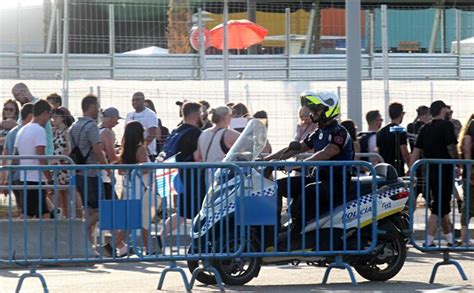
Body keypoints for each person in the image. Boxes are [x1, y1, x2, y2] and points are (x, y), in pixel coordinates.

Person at [265, 90, 354, 232]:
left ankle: (297, 232)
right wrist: (266, 159)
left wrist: (301, 164)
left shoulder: (340, 132)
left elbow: (328, 152)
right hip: (318, 178)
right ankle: (275, 228)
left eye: (316, 109)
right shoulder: (318, 132)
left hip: (336, 183)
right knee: (278, 186)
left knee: (309, 191)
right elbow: (297, 148)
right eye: (312, 109)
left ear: (329, 109)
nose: (313, 113)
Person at [410, 100, 458, 247]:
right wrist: (458, 163)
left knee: (441, 204)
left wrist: (411, 169)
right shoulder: (447, 126)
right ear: (442, 110)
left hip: (430, 171)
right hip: (445, 170)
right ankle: (429, 239)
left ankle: (450, 239)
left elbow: (416, 151)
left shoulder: (425, 128)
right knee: (439, 205)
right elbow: (451, 147)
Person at [159, 102, 205, 244]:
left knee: (183, 212)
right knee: (200, 212)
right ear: (197, 114)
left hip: (179, 178)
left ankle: (161, 236)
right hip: (193, 179)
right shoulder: (195, 133)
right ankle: (200, 243)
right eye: (201, 113)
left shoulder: (177, 131)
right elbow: (199, 156)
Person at [68, 94, 109, 243]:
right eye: (97, 107)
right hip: (91, 173)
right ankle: (81, 230)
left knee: (88, 209)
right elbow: (97, 150)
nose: (98, 110)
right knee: (100, 209)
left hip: (78, 172)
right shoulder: (91, 126)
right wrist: (107, 168)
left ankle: (88, 245)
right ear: (91, 107)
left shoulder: (73, 126)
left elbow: (70, 151)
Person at [118, 121, 157, 256]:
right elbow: (145, 169)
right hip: (141, 188)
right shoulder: (140, 149)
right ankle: (119, 244)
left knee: (133, 220)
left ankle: (147, 248)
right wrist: (155, 165)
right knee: (143, 220)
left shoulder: (125, 149)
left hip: (129, 188)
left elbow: (120, 171)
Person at [14, 100, 53, 219]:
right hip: (34, 179)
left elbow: (16, 154)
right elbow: (41, 156)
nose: (49, 119)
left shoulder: (22, 130)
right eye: (49, 115)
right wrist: (49, 178)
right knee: (27, 214)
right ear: (45, 113)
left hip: (24, 177)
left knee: (43, 213)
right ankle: (17, 237)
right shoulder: (39, 130)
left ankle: (46, 237)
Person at [2, 103, 34, 218]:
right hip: (25, 176)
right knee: (28, 212)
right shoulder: (25, 131)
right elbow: (14, 157)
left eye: (11, 109)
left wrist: (5, 180)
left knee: (25, 210)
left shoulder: (12, 132)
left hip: (15, 176)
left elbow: (5, 158)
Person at [11, 83, 54, 155]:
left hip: (42, 151)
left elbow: (22, 126)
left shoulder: (37, 106)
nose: (17, 100)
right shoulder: (26, 107)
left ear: (23, 92)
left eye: (17, 96)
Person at [51, 107, 74, 217]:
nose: (53, 119)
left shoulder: (67, 131)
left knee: (67, 192)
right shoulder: (56, 131)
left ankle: (71, 215)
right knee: (61, 192)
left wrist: (62, 158)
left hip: (64, 165)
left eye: (56, 116)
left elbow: (69, 148)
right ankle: (65, 215)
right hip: (57, 166)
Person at [376, 102, 410, 176]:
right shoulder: (400, 131)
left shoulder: (381, 131)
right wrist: (411, 168)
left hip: (383, 171)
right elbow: (405, 153)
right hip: (397, 170)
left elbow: (377, 153)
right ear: (401, 114)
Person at [125, 92, 160, 162]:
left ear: (143, 101)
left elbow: (152, 134)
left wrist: (141, 148)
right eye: (133, 100)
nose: (135, 102)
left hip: (147, 153)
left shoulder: (150, 114)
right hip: (131, 153)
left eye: (138, 99)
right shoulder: (129, 115)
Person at [99, 107, 122, 200]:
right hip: (105, 175)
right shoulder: (107, 132)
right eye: (117, 119)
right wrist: (124, 155)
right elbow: (112, 157)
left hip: (94, 174)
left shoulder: (97, 130)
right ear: (111, 118)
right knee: (113, 206)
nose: (117, 123)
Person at [458, 114, 474, 246]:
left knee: (468, 205)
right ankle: (464, 238)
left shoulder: (469, 127)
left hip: (470, 172)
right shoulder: (473, 126)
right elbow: (467, 147)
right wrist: (469, 170)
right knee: (468, 206)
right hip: (472, 173)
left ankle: (464, 237)